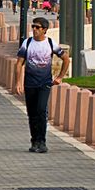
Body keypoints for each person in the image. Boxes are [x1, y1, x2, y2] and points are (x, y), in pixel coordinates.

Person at [12, 18, 68, 153]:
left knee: (41, 110)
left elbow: (65, 58)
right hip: (30, 83)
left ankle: (42, 141)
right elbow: (19, 63)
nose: (35, 30)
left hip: (44, 83)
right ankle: (34, 140)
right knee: (32, 113)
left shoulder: (50, 43)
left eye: (37, 27)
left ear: (44, 30)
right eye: (33, 27)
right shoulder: (28, 42)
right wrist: (18, 82)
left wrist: (60, 77)